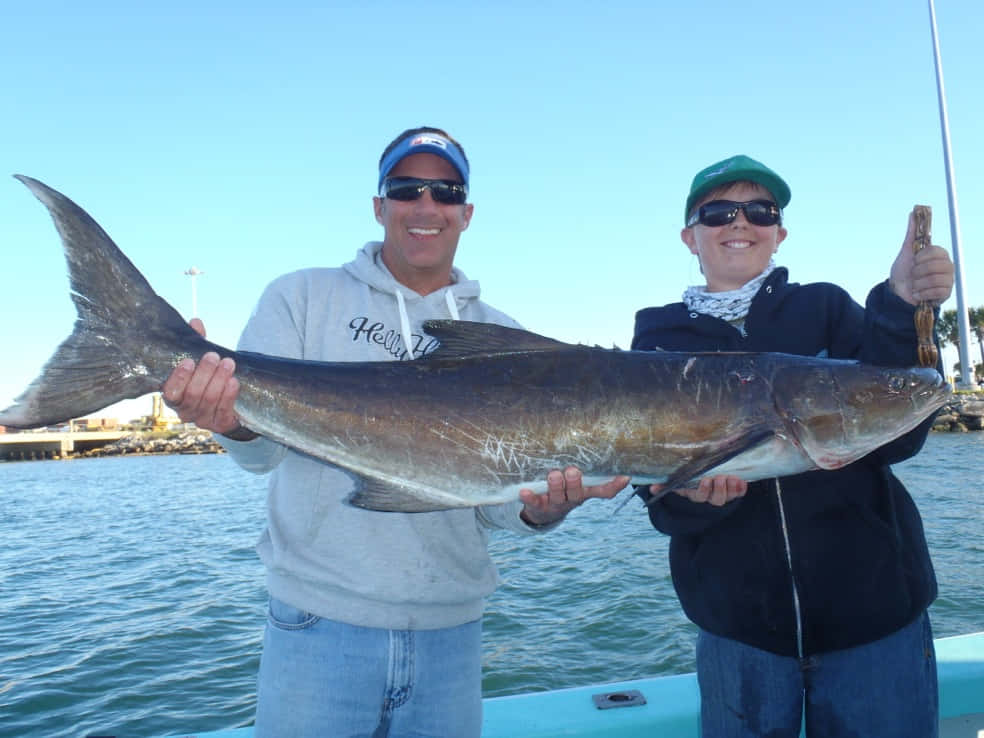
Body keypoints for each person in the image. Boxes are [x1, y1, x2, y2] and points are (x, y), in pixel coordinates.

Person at [161, 126, 629, 738]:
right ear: (380, 206)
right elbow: (260, 458)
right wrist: (230, 421)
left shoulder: (504, 337)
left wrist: (544, 512)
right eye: (407, 189)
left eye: (445, 190)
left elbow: (494, 509)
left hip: (452, 636)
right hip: (318, 626)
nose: (426, 206)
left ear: (467, 212)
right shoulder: (301, 297)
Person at [632, 154, 955, 737]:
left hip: (877, 623)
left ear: (779, 233)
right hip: (740, 637)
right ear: (690, 236)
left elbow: (898, 434)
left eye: (760, 210)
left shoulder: (825, 308)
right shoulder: (656, 337)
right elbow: (656, 497)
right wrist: (694, 500)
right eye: (718, 212)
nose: (739, 222)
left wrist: (900, 306)